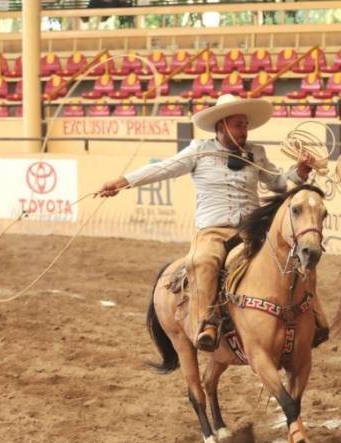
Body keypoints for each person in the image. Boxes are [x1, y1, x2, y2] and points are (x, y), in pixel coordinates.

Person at [97, 94, 327, 351]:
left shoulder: (257, 153)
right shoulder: (199, 150)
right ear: (222, 125)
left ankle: (314, 316)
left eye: (245, 125)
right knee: (205, 260)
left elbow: (278, 182)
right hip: (212, 231)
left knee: (293, 255)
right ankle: (207, 322)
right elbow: (164, 168)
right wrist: (123, 182)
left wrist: (300, 171)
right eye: (239, 125)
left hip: (253, 231)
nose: (244, 130)